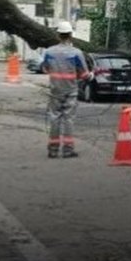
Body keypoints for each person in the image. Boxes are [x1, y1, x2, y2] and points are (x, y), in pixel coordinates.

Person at [42, 21, 90, 159]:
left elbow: (45, 68)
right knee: (68, 119)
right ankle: (68, 150)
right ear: (70, 35)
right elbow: (85, 74)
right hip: (71, 91)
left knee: (54, 118)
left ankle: (53, 150)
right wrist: (90, 75)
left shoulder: (49, 52)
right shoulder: (76, 53)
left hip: (55, 90)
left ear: (58, 35)